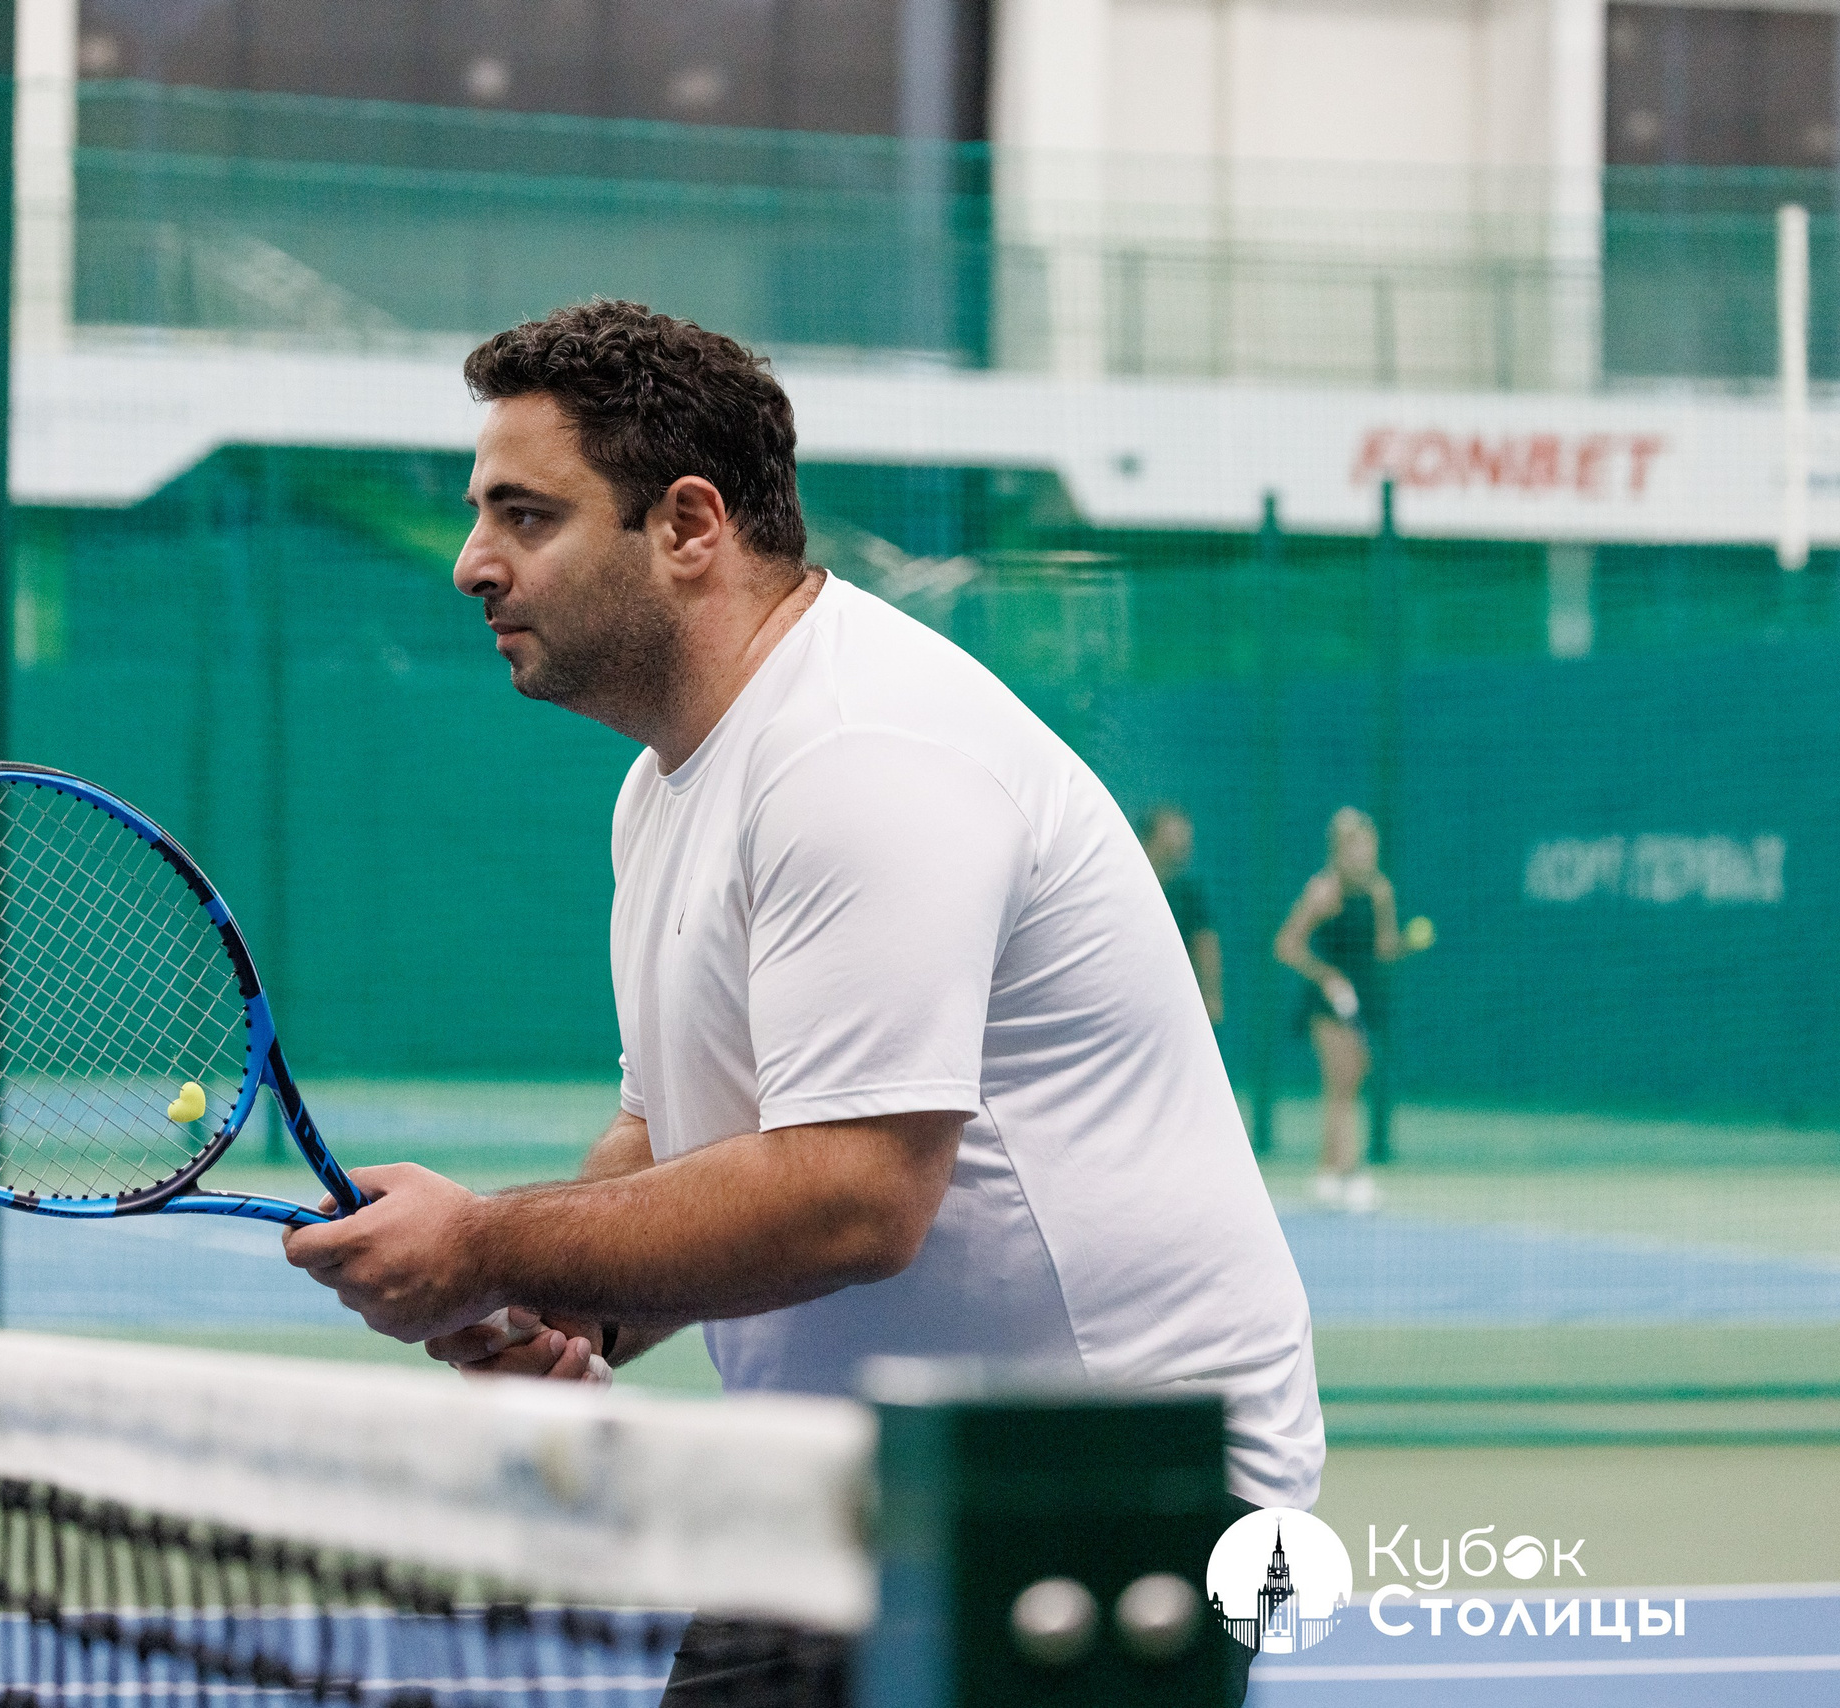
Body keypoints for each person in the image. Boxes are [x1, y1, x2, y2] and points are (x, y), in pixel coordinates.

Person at [278, 304, 1320, 1695]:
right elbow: (679, 1135)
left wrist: (485, 1249)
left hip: (1102, 1496)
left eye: (526, 515)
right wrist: (563, 1314)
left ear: (690, 526)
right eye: (482, 514)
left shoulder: (861, 760)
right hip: (857, 1490)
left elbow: (854, 1196)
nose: (474, 562)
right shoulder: (664, 786)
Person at [1273, 807, 1407, 1212]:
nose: (1364, 854)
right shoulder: (1323, 892)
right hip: (1328, 1003)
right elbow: (1286, 945)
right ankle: (1352, 1174)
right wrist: (1326, 976)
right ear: (1339, 849)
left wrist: (1404, 943)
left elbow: (1384, 949)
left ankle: (1328, 1173)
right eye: (1355, 846)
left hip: (1365, 1000)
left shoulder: (1380, 891)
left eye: (1369, 846)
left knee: (1350, 1086)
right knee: (1341, 1087)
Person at [1141, 803, 1225, 1027]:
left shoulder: (1189, 896)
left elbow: (1206, 946)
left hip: (1170, 1003)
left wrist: (1211, 996)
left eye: (1184, 839)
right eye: (1172, 837)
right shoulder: (1124, 888)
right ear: (1148, 841)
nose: (1180, 845)